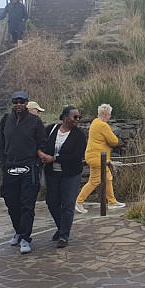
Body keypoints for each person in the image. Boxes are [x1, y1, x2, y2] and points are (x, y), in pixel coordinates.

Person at [0, 90, 49, 254]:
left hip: (29, 167)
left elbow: (43, 142)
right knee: (11, 203)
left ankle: (26, 238)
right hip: (10, 167)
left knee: (27, 204)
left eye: (22, 101)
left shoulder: (35, 121)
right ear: (12, 103)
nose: (18, 104)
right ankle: (18, 231)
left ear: (27, 103)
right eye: (15, 101)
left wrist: (38, 159)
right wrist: (3, 163)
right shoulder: (6, 120)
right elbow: (0, 143)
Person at [42, 106, 87, 248]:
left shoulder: (79, 135)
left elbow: (76, 156)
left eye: (79, 117)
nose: (77, 120)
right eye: (75, 117)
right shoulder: (51, 129)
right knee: (52, 202)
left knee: (68, 204)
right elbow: (41, 144)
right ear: (65, 117)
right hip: (52, 173)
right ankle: (61, 226)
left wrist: (54, 158)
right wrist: (41, 154)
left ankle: (63, 236)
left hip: (71, 174)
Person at [74, 103, 125, 213]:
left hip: (94, 156)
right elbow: (114, 141)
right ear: (106, 114)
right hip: (98, 158)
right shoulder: (103, 125)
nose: (110, 116)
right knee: (94, 181)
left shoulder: (95, 122)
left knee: (107, 178)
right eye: (109, 114)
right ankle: (79, 202)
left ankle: (112, 202)